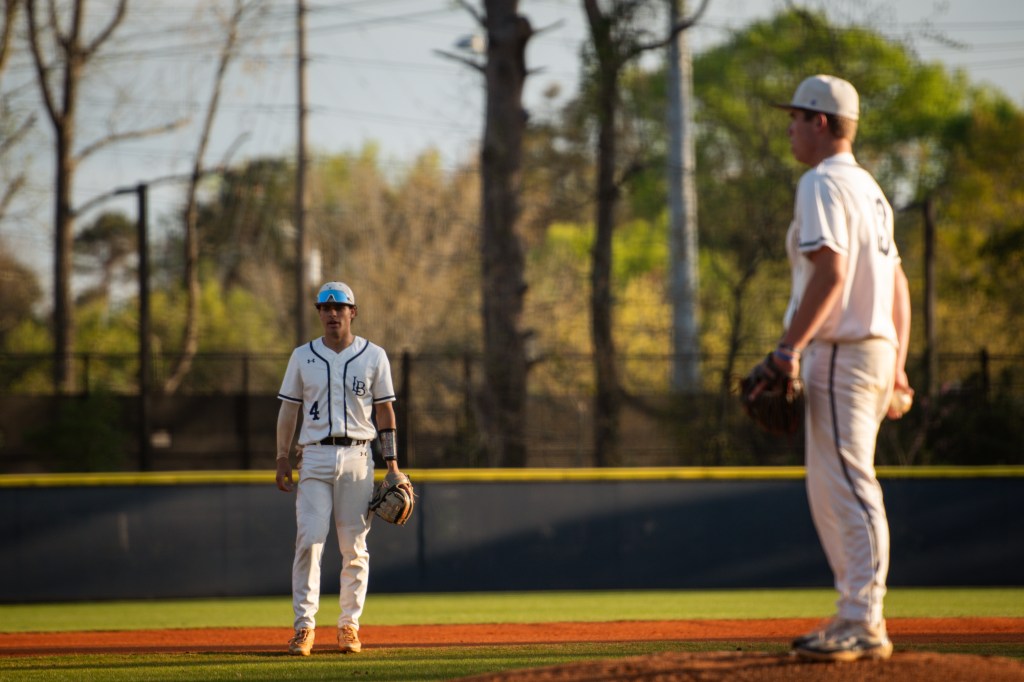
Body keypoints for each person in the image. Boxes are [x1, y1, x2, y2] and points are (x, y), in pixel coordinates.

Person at [769, 75, 913, 662]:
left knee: (849, 485)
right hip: (871, 350)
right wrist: (898, 366)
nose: (790, 128)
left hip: (842, 352)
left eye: (797, 117)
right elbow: (897, 285)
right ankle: (853, 612)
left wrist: (788, 349)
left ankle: (864, 619)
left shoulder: (822, 182)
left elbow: (831, 273)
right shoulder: (870, 190)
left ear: (821, 122)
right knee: (834, 486)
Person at [275, 281, 410, 656]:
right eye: (325, 307)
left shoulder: (374, 355)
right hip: (315, 457)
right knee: (310, 540)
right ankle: (304, 627)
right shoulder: (302, 356)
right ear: (319, 313)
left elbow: (385, 412)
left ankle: (349, 626)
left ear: (353, 312)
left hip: (358, 458)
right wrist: (282, 456)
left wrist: (393, 466)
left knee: (355, 548)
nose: (332, 313)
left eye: (339, 307)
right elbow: (288, 409)